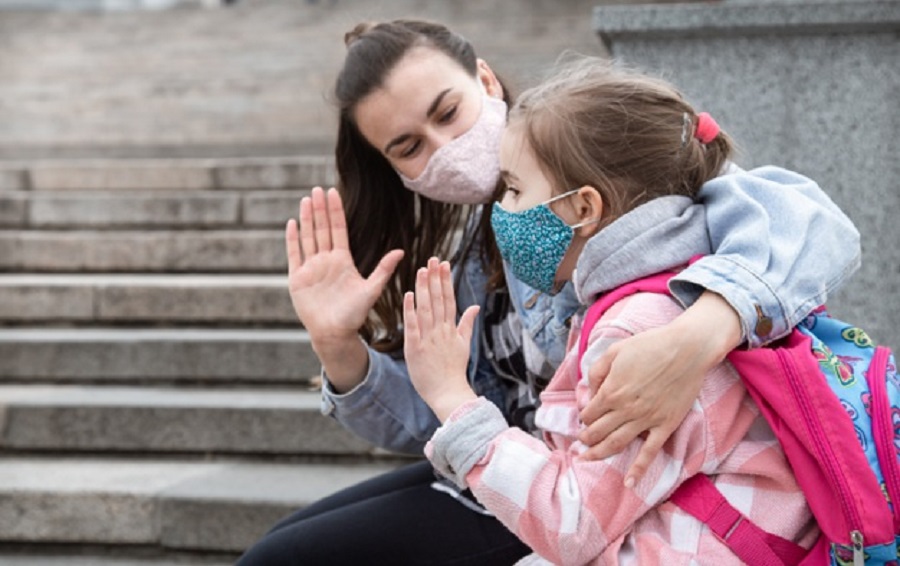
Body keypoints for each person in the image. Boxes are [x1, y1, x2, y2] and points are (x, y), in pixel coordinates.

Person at [236, 20, 857, 565]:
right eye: (408, 147)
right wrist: (339, 345)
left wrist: (701, 333)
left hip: (581, 494)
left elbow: (807, 219)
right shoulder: (475, 244)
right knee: (285, 540)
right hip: (522, 464)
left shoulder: (595, 156)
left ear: (484, 79)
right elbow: (442, 413)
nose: (442, 148)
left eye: (446, 112)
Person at [403, 56, 821, 564]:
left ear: (583, 208)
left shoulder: (636, 329)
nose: (502, 209)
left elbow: (574, 524)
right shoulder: (681, 281)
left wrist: (451, 396)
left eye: (513, 189)